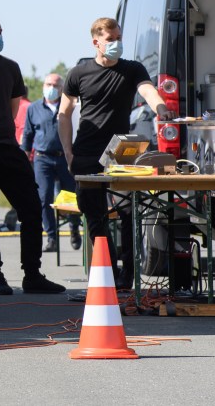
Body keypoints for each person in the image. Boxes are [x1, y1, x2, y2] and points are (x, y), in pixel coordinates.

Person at [57, 17, 173, 289]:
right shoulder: (78, 72)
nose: (116, 44)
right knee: (95, 216)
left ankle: (128, 273)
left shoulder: (132, 69)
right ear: (96, 42)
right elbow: (64, 113)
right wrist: (68, 154)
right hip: (85, 153)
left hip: (121, 154)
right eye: (110, 40)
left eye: (119, 38)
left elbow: (147, 90)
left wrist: (160, 108)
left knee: (129, 213)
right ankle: (107, 271)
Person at [0, 14, 65, 295]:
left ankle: (32, 274)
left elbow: (12, 109)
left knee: (31, 208)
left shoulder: (11, 68)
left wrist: (6, 135)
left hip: (8, 147)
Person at [21, 73, 82, 253]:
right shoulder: (33, 108)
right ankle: (51, 237)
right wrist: (24, 157)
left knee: (71, 197)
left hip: (65, 157)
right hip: (42, 158)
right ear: (43, 86)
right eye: (48, 84)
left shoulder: (71, 107)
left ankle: (74, 229)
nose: (51, 88)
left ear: (62, 88)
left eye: (55, 85)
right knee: (43, 198)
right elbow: (28, 134)